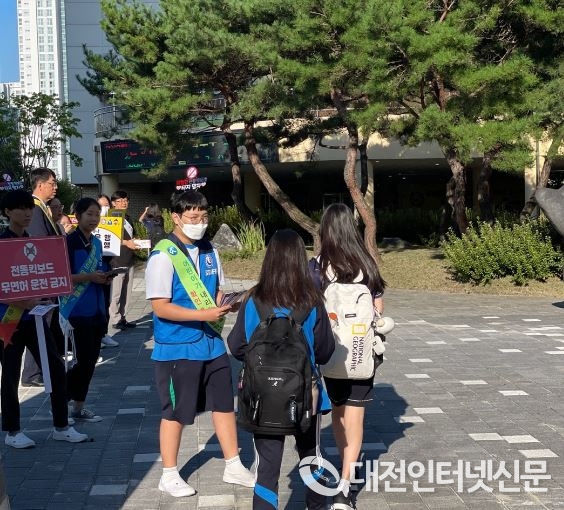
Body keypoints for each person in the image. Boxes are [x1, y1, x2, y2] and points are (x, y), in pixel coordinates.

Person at [145, 190, 254, 498]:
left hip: (211, 344)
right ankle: (169, 473)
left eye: (204, 217)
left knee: (224, 405)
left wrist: (227, 303)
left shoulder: (210, 251)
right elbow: (160, 307)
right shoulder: (163, 255)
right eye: (193, 218)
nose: (200, 223)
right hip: (177, 347)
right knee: (176, 411)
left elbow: (216, 291)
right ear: (176, 218)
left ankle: (233, 464)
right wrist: (203, 314)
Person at [227, 229, 336, 510]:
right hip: (305, 396)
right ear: (300, 259)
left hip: (261, 398)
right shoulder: (312, 301)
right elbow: (325, 351)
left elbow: (236, 346)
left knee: (267, 468)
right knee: (311, 458)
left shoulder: (253, 299)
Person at [309, 203, 387, 510]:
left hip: (330, 354)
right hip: (361, 354)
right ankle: (345, 485)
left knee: (339, 415)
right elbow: (378, 309)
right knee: (356, 418)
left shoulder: (316, 267)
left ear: (325, 229)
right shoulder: (367, 264)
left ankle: (341, 470)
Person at [0, 190, 88, 447]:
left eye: (29, 208)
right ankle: (13, 432)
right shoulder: (2, 244)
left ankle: (61, 426)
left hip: (35, 319)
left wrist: (50, 293)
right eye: (20, 208)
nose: (27, 213)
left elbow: (47, 276)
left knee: (55, 368)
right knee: (10, 375)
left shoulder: (36, 244)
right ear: (7, 212)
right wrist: (21, 302)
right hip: (8, 321)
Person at [63, 197, 112, 423]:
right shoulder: (68, 243)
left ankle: (78, 407)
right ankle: (61, 400)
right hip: (76, 309)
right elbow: (62, 277)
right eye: (89, 214)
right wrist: (89, 277)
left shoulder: (97, 243)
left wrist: (105, 277)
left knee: (90, 361)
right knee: (83, 361)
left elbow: (99, 269)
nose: (94, 219)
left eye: (97, 215)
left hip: (97, 308)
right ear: (78, 215)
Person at [21, 168, 60, 387]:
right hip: (42, 278)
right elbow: (39, 244)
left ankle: (38, 370)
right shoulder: (35, 209)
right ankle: (32, 373)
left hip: (48, 276)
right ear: (40, 185)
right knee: (40, 323)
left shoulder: (43, 208)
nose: (55, 187)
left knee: (45, 324)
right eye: (52, 183)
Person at [108, 190, 138, 330]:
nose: (123, 203)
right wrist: (127, 243)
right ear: (113, 203)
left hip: (129, 258)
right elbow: (110, 237)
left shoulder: (128, 218)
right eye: (119, 201)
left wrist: (136, 241)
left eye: (125, 200)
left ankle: (123, 317)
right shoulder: (112, 216)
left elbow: (130, 236)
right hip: (117, 259)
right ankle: (115, 319)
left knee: (127, 291)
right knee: (117, 291)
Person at [96, 194, 119, 348]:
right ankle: (96, 336)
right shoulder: (91, 227)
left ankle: (103, 334)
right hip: (92, 271)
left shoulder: (113, 223)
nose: (105, 208)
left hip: (106, 268)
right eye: (101, 206)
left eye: (107, 205)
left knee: (105, 302)